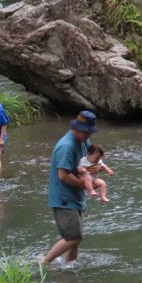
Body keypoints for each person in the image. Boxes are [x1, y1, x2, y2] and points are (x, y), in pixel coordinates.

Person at [40, 111, 98, 269]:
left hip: (75, 196)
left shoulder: (84, 141)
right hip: (63, 197)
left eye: (90, 132)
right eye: (86, 131)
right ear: (77, 128)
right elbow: (63, 176)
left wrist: (94, 173)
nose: (88, 135)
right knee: (73, 236)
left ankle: (70, 266)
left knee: (76, 238)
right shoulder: (66, 146)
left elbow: (86, 163)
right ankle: (44, 262)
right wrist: (86, 185)